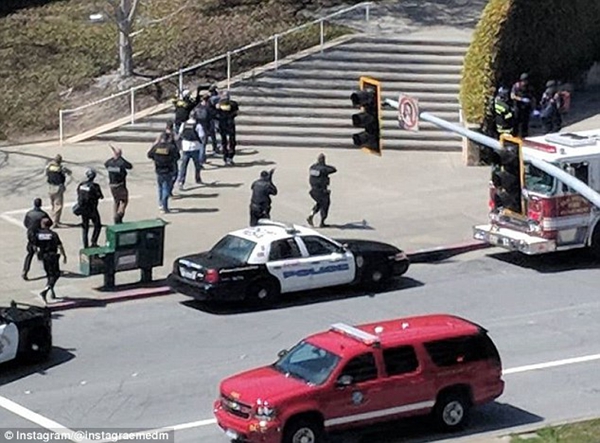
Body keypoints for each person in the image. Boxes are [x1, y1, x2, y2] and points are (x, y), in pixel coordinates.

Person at [34, 218, 67, 303]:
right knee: (56, 274)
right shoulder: (53, 234)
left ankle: (52, 292)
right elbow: (60, 245)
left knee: (49, 274)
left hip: (44, 256)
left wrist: (38, 255)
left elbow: (35, 246)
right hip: (52, 255)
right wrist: (64, 255)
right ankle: (47, 289)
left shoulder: (38, 235)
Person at [148, 133, 180, 213]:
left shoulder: (156, 147)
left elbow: (149, 155)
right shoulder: (171, 147)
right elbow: (177, 157)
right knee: (166, 188)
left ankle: (160, 204)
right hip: (168, 170)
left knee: (160, 187)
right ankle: (164, 206)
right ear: (168, 139)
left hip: (159, 170)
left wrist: (156, 159)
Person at [22, 198, 51, 281]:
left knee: (30, 254)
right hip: (40, 235)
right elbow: (49, 223)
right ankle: (47, 270)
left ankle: (25, 270)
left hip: (31, 235)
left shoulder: (29, 213)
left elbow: (25, 223)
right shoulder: (43, 214)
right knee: (44, 253)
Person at [306, 153, 337, 228]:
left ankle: (311, 214)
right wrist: (324, 165)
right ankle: (322, 222)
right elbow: (333, 169)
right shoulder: (324, 169)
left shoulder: (312, 167)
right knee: (325, 204)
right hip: (321, 191)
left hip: (313, 191)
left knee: (320, 203)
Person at [104, 145, 133, 224]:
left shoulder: (109, 162)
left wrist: (114, 158)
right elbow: (130, 166)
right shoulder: (121, 162)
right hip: (120, 185)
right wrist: (120, 158)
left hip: (112, 185)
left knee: (116, 201)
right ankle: (119, 214)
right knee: (124, 201)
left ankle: (115, 215)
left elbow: (105, 164)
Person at [76, 168, 104, 248]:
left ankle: (85, 245)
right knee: (97, 225)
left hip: (83, 209)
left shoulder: (81, 185)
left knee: (85, 228)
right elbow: (100, 196)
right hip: (92, 209)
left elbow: (78, 193)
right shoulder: (95, 186)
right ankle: (94, 241)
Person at [177, 116, 204, 190]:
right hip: (195, 147)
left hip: (186, 147)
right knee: (197, 165)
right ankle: (198, 178)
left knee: (183, 166)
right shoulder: (198, 125)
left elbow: (180, 134)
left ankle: (181, 181)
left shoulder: (184, 124)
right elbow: (202, 136)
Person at [45, 154, 71, 228]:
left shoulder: (49, 167)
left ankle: (52, 219)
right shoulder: (61, 168)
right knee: (58, 205)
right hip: (58, 187)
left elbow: (47, 174)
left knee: (53, 204)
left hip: (50, 187)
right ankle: (55, 222)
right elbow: (69, 172)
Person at [216, 91, 239, 165]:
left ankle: (226, 157)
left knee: (224, 141)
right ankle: (230, 157)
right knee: (231, 141)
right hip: (230, 124)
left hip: (222, 124)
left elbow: (215, 114)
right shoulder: (233, 104)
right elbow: (236, 113)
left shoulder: (219, 105)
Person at [510, 73, 535, 138]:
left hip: (526, 108)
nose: (525, 83)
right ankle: (514, 136)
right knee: (516, 122)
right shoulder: (516, 86)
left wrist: (532, 107)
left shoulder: (529, 87)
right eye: (524, 81)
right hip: (518, 107)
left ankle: (524, 136)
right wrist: (521, 99)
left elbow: (532, 97)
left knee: (525, 123)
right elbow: (512, 96)